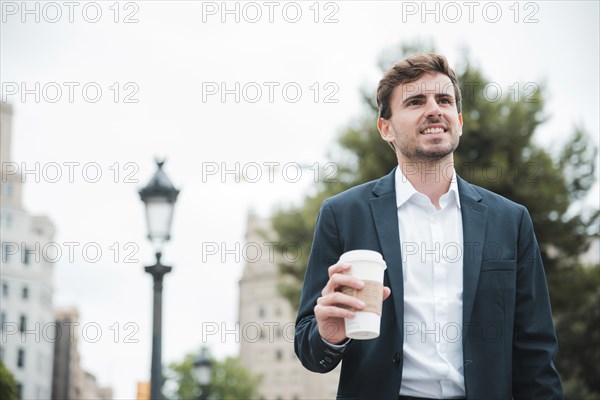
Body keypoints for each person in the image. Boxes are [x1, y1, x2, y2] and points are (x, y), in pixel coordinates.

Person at [294, 53, 563, 400]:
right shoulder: (342, 214)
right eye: (416, 101)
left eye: (444, 100)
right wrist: (329, 334)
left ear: (459, 121)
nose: (434, 109)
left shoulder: (510, 220)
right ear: (386, 128)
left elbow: (536, 352)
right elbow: (309, 349)